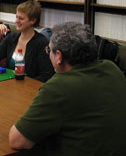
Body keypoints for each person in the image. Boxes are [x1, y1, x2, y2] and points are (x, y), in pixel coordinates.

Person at [9, 22, 126, 155]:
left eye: (49, 50)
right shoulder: (112, 68)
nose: (48, 54)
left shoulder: (59, 86)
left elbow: (17, 141)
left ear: (58, 56)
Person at [0, 1, 54, 82]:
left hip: (28, 89)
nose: (16, 21)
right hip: (8, 84)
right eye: (16, 17)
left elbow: (46, 75)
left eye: (21, 18)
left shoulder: (41, 42)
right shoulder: (11, 38)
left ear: (33, 20)